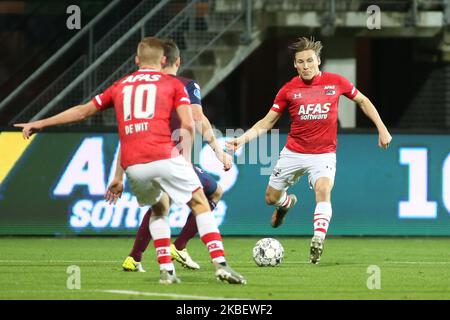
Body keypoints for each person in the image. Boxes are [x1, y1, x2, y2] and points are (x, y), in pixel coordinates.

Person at [15, 36, 246, 285]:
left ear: (137, 60)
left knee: (159, 210)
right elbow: (189, 123)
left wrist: (40, 122)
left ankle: (166, 271)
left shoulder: (120, 86)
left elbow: (82, 111)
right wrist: (185, 161)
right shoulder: (174, 84)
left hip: (134, 165)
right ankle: (220, 265)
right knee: (201, 202)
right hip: (166, 155)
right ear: (165, 60)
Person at [226, 36, 392, 264]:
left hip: (323, 154)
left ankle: (318, 238)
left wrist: (382, 129)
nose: (306, 66)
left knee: (323, 188)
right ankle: (285, 204)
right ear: (294, 65)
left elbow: (363, 101)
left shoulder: (336, 82)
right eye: (301, 62)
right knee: (270, 198)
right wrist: (241, 140)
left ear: (318, 61)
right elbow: (267, 122)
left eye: (310, 61)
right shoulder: (288, 90)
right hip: (293, 153)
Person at [106, 38, 231, 273]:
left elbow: (128, 135)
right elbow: (197, 118)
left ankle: (135, 257)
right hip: (170, 158)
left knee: (160, 205)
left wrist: (119, 175)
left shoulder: (139, 89)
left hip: (142, 157)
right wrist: (218, 151)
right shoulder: (185, 85)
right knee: (212, 192)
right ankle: (180, 247)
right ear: (177, 61)